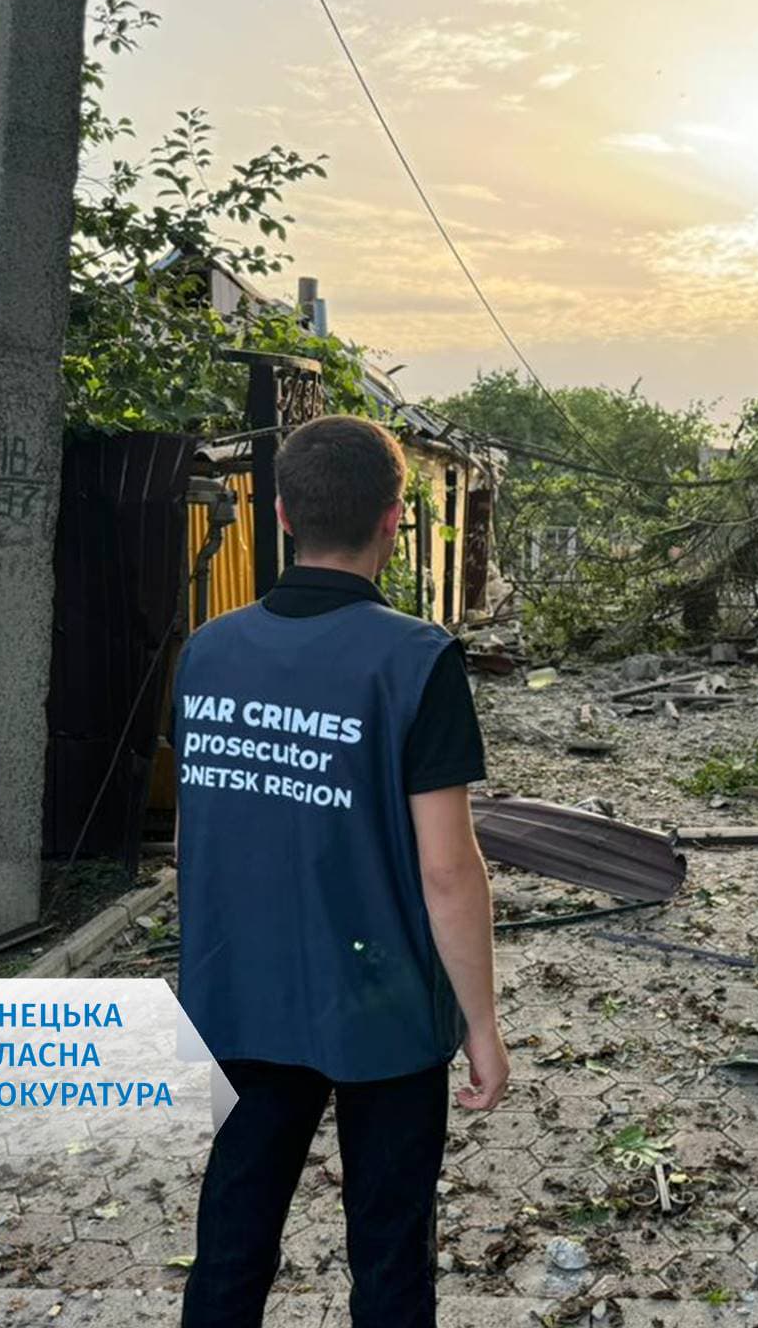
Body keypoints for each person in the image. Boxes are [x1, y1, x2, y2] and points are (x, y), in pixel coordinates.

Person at [173, 414, 508, 1328]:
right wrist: (481, 1025)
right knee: (390, 1257)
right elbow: (449, 870)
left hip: (241, 996)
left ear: (282, 514)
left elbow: (204, 831)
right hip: (383, 1008)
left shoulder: (208, 652)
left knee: (233, 1238)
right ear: (394, 519)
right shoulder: (416, 659)